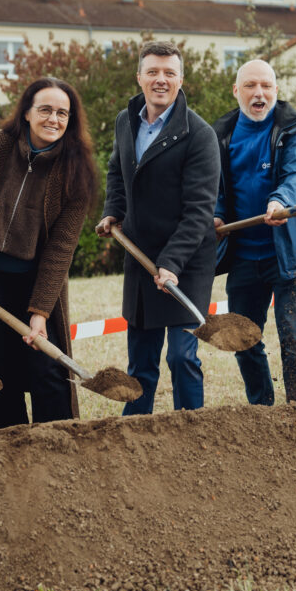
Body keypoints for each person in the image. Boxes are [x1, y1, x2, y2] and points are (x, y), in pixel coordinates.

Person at [0, 77, 97, 427]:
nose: (53, 119)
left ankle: (55, 444)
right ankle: (11, 447)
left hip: (37, 283)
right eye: (45, 110)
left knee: (48, 372)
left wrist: (40, 312)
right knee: (0, 372)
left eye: (62, 113)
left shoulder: (76, 170)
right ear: (26, 112)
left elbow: (61, 249)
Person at [95, 41, 220, 414]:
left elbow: (199, 210)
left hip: (187, 260)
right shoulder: (126, 120)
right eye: (152, 72)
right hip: (141, 255)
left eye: (169, 73)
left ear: (181, 80)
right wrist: (113, 211)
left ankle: (190, 431)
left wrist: (172, 262)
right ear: (140, 77)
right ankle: (136, 433)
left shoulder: (199, 135)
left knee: (182, 357)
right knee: (141, 362)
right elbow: (117, 170)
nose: (160, 80)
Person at [211, 59, 296, 405]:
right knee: (242, 338)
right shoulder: (219, 134)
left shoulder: (294, 128)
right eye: (250, 86)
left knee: (293, 335)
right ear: (236, 91)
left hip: (287, 252)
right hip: (243, 255)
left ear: (276, 90)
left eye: (266, 86)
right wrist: (215, 215)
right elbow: (213, 186)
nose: (259, 93)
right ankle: (262, 411)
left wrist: (281, 201)